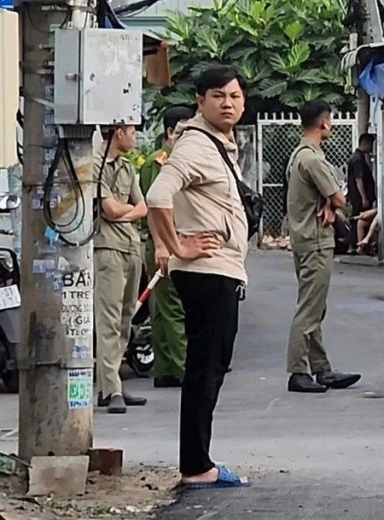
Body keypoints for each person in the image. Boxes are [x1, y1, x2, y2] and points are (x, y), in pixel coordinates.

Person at [146, 65, 252, 489]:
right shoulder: (197, 145)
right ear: (200, 101)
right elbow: (157, 195)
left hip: (219, 272)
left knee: (211, 366)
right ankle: (196, 465)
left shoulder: (218, 143)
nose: (228, 103)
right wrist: (178, 247)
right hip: (206, 272)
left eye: (235, 96)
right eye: (218, 96)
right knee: (206, 367)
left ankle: (198, 460)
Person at [284, 100, 362, 394]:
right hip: (315, 240)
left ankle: (321, 367)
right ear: (324, 124)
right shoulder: (313, 159)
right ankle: (297, 370)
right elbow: (340, 198)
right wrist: (333, 202)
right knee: (309, 309)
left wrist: (328, 203)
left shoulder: (298, 155)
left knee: (315, 306)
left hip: (303, 238)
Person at [93, 124, 148, 414]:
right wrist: (125, 212)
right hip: (108, 248)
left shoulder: (127, 168)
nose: (134, 137)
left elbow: (143, 207)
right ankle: (110, 387)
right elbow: (109, 210)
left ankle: (111, 382)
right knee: (109, 319)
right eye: (131, 131)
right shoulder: (94, 163)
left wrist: (122, 212)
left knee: (127, 317)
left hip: (130, 246)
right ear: (118, 132)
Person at [139, 105, 194, 389]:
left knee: (161, 307)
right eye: (183, 132)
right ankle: (185, 367)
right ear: (170, 132)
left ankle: (166, 368)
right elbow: (154, 207)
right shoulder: (159, 163)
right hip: (164, 242)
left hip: (168, 240)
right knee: (174, 306)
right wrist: (162, 245)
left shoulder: (175, 161)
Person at [346, 133, 377, 217]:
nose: (371, 147)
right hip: (359, 199)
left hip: (357, 198)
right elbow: (358, 179)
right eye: (371, 144)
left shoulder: (358, 157)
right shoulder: (358, 159)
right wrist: (364, 198)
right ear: (365, 143)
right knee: (360, 219)